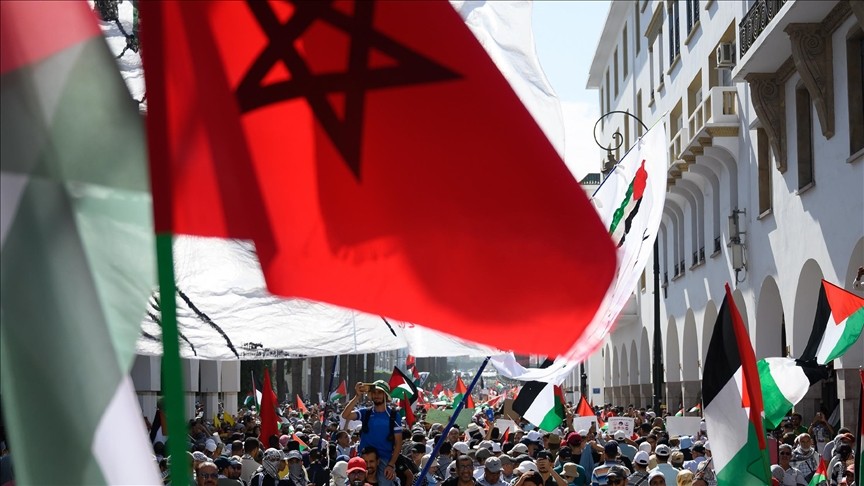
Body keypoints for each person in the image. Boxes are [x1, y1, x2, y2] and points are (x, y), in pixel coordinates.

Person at [343, 382, 403, 481]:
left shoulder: (394, 416)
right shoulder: (365, 412)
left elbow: (398, 443)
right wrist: (357, 396)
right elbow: (345, 415)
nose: (376, 395)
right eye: (374, 392)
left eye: (380, 392)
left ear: (385, 395)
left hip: (384, 460)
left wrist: (391, 465)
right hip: (364, 459)